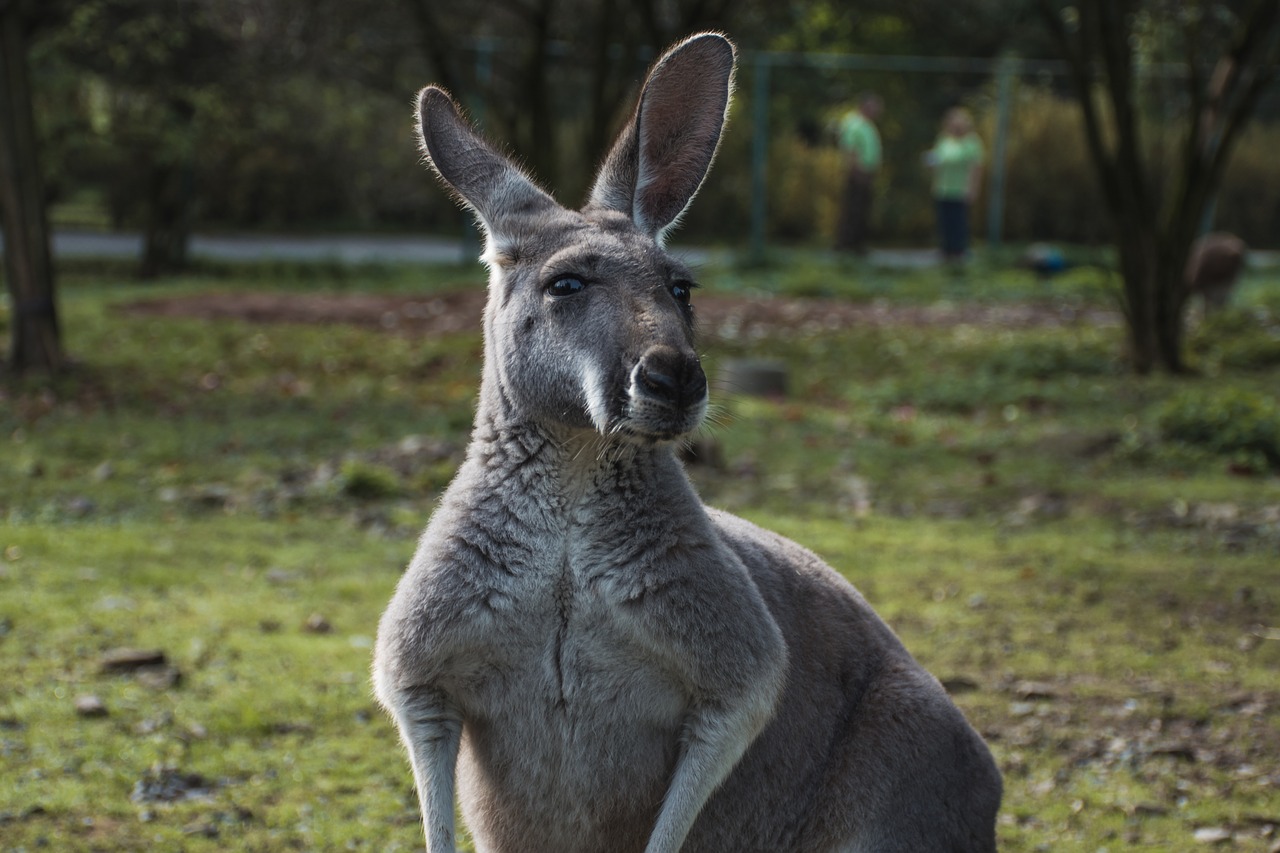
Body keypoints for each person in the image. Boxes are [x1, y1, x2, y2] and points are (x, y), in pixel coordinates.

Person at [925, 107, 984, 263]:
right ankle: (946, 250)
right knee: (944, 221)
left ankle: (959, 251)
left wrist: (973, 189)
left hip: (960, 189)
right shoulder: (943, 140)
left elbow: (976, 168)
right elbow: (936, 160)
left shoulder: (972, 142)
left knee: (958, 222)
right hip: (942, 188)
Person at [833, 92, 883, 255]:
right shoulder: (855, 124)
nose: (878, 110)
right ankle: (847, 245)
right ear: (865, 106)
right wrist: (856, 169)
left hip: (866, 171)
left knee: (862, 208)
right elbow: (851, 149)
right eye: (875, 106)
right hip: (858, 172)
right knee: (854, 209)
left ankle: (858, 244)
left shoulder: (867, 124)